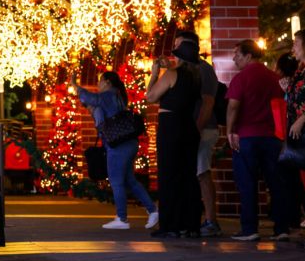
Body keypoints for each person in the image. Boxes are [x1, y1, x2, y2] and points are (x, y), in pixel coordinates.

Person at [75, 71, 158, 230]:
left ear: (107, 82)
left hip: (118, 145)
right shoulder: (117, 95)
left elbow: (90, 99)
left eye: (100, 81)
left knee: (116, 181)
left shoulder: (108, 95)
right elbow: (93, 106)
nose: (98, 84)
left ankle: (122, 218)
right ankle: (152, 210)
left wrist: (76, 86)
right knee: (129, 180)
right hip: (128, 142)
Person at [226, 38, 290, 241]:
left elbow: (233, 106)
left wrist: (229, 130)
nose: (234, 58)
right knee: (275, 183)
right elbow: (282, 106)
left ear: (248, 56)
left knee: (247, 183)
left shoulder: (241, 78)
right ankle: (281, 228)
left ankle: (250, 228)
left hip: (246, 136)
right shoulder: (274, 78)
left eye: (237, 54)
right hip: (272, 137)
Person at [146, 39, 202, 238]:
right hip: (189, 126)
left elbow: (151, 96)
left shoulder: (171, 74)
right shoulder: (196, 77)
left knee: (169, 174)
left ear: (178, 57)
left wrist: (154, 74)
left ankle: (170, 225)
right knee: (188, 175)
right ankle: (191, 224)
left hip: (171, 126)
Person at [174, 30, 223, 237]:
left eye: (178, 45)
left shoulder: (203, 69)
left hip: (204, 128)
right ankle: (190, 218)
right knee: (193, 173)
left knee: (202, 173)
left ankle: (211, 221)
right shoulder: (186, 69)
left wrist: (196, 129)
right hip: (191, 128)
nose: (175, 50)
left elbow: (208, 102)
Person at [287, 30, 305, 231]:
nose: (293, 47)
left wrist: (303, 118)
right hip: (301, 134)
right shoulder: (300, 70)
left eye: (296, 43)